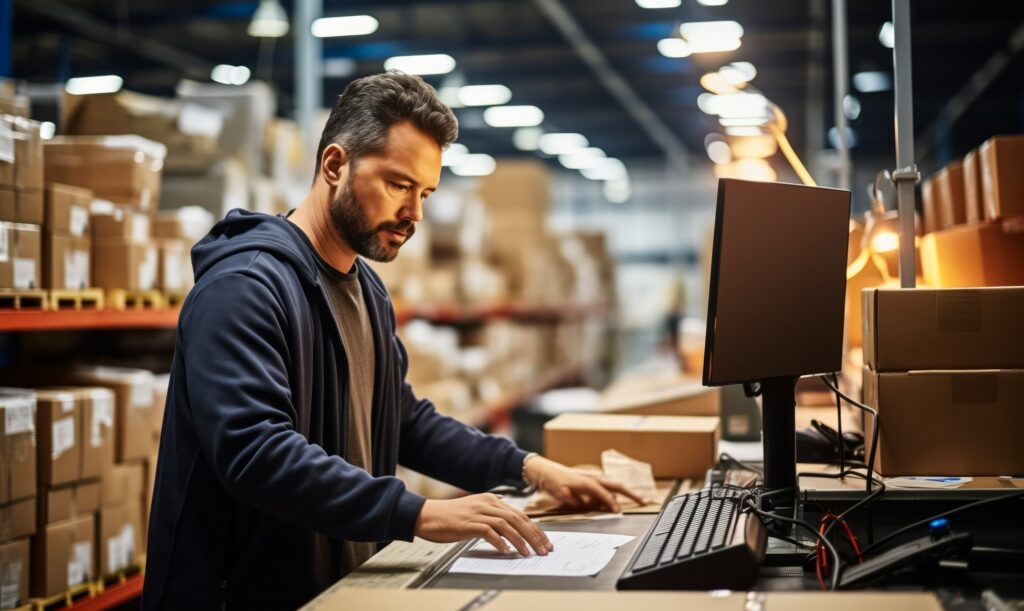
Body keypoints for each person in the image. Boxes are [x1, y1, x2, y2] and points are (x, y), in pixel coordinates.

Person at [142, 71, 644, 610]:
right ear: (335, 165)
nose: (415, 214)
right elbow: (255, 452)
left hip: (334, 590)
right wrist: (420, 513)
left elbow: (402, 419)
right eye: (399, 185)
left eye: (425, 192)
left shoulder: (367, 291)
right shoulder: (245, 288)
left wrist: (529, 468)